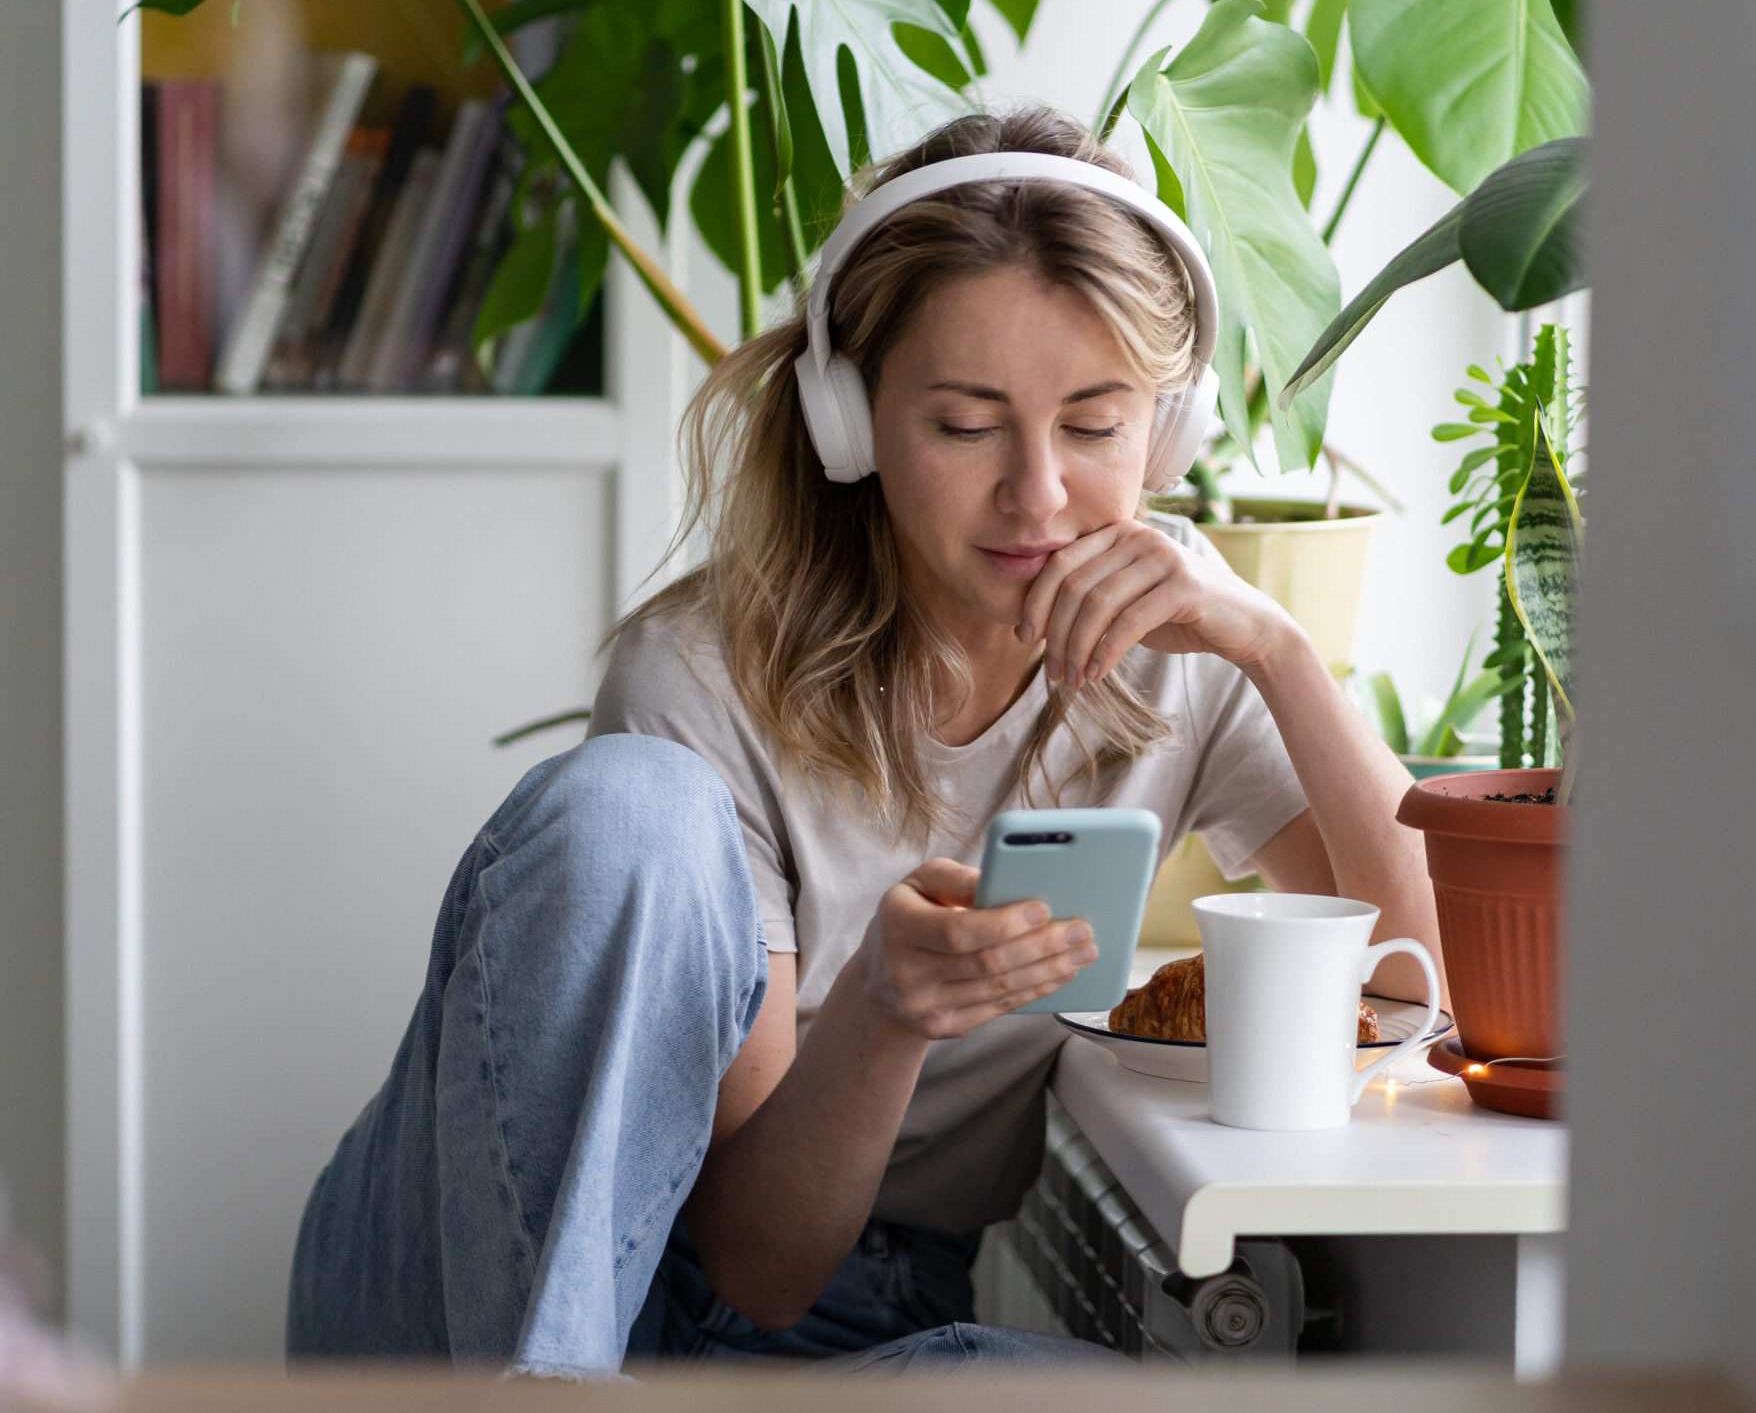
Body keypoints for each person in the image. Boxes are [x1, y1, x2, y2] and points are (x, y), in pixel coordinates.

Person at [285, 106, 1443, 1375]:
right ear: (850, 420)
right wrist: (887, 1014)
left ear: (1168, 435)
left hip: (839, 1322)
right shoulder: (701, 678)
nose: (1038, 495)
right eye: (963, 424)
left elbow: (1423, 982)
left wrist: (1276, 650)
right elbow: (753, 1263)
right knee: (628, 808)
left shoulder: (1181, 642)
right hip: (498, 1292)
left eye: (1097, 425)